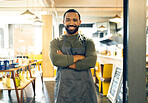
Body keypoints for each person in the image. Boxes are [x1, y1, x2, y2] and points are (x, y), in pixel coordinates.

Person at [49, 9, 97, 103]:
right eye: (68, 20)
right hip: (64, 90)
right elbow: (55, 60)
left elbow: (91, 61)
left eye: (75, 20)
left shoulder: (88, 42)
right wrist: (79, 57)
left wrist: (65, 61)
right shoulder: (55, 42)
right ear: (63, 22)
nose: (71, 23)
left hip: (85, 90)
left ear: (79, 22)